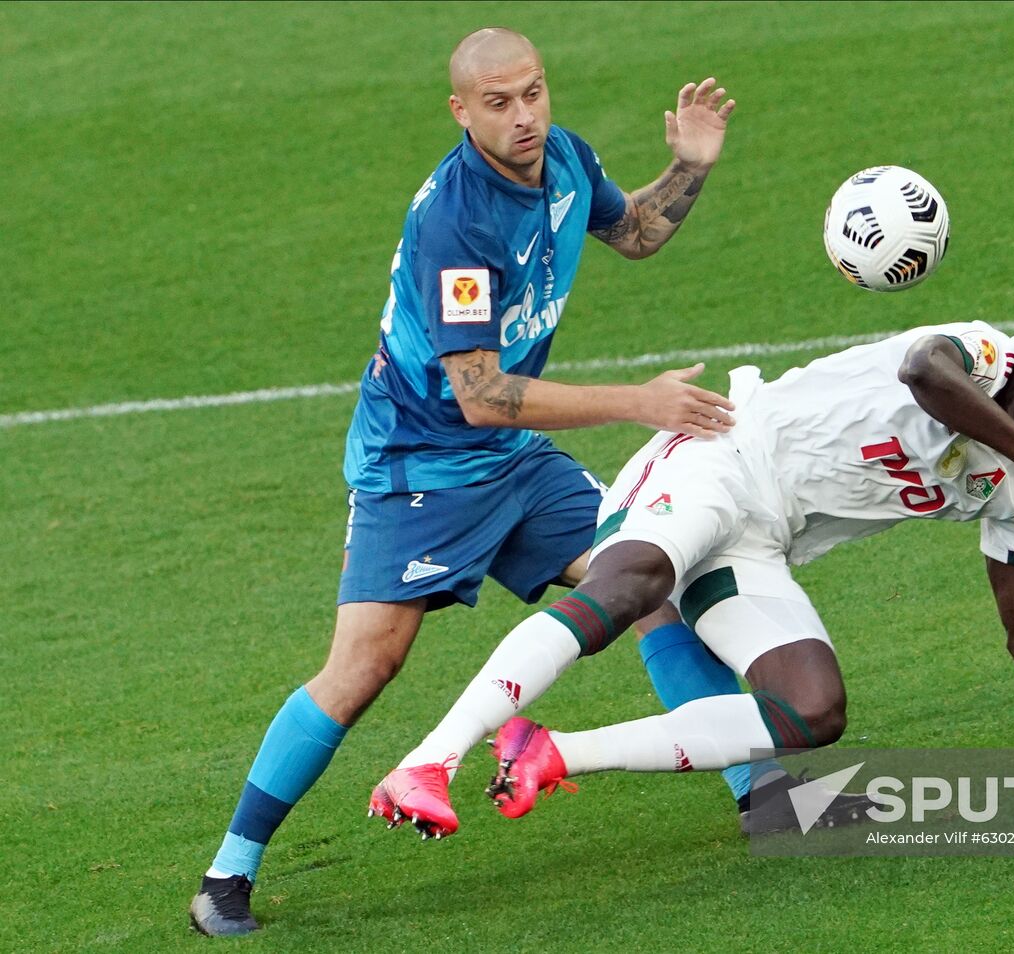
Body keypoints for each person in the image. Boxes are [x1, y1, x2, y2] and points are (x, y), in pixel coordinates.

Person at [191, 27, 752, 937]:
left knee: (651, 583)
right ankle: (227, 874)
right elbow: (483, 395)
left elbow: (637, 232)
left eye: (533, 93)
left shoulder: (565, 157)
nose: (524, 116)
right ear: (461, 110)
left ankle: (757, 793)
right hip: (420, 467)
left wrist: (688, 166)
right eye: (499, 103)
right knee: (365, 666)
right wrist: (638, 402)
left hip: (513, 463)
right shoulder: (457, 220)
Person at [381, 285, 1014, 833]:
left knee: (814, 711)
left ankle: (551, 751)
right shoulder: (973, 352)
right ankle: (430, 760)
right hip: (717, 455)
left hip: (760, 538)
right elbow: (925, 372)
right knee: (631, 588)